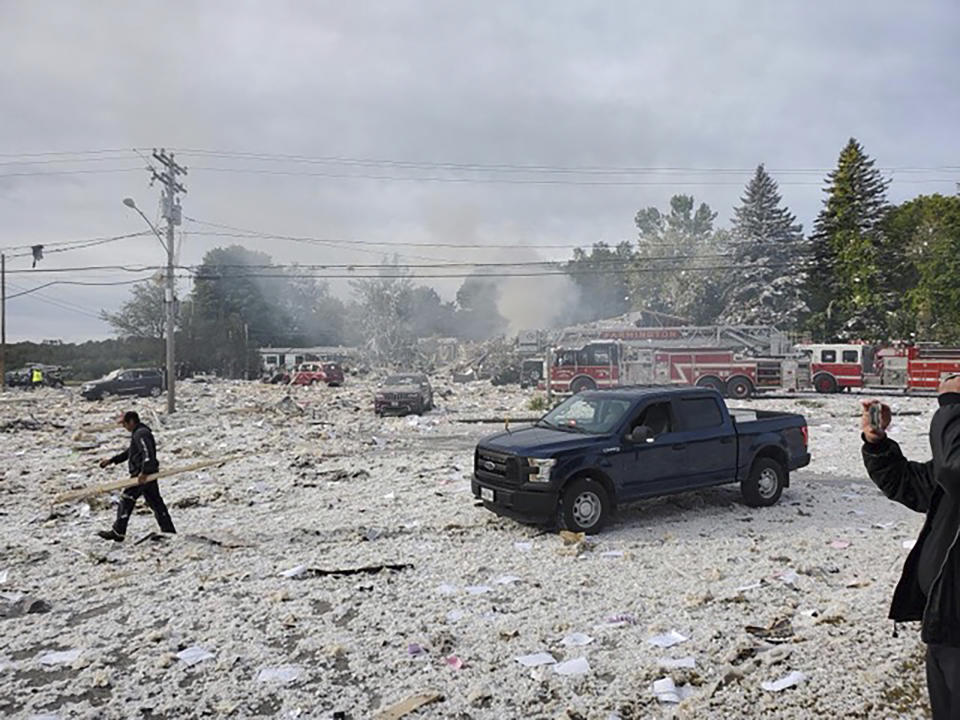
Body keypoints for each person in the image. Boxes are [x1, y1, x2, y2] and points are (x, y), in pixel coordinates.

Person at [861, 375, 960, 719]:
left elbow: (953, 469)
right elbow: (912, 484)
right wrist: (878, 443)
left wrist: (951, 405)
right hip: (946, 620)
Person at [97, 410, 176, 541]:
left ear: (132, 421)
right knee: (156, 503)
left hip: (142, 475)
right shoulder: (138, 433)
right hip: (146, 474)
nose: (124, 427)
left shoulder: (141, 433)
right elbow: (131, 452)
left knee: (127, 499)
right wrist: (112, 460)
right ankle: (169, 531)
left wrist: (144, 472)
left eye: (125, 424)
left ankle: (118, 532)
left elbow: (148, 453)